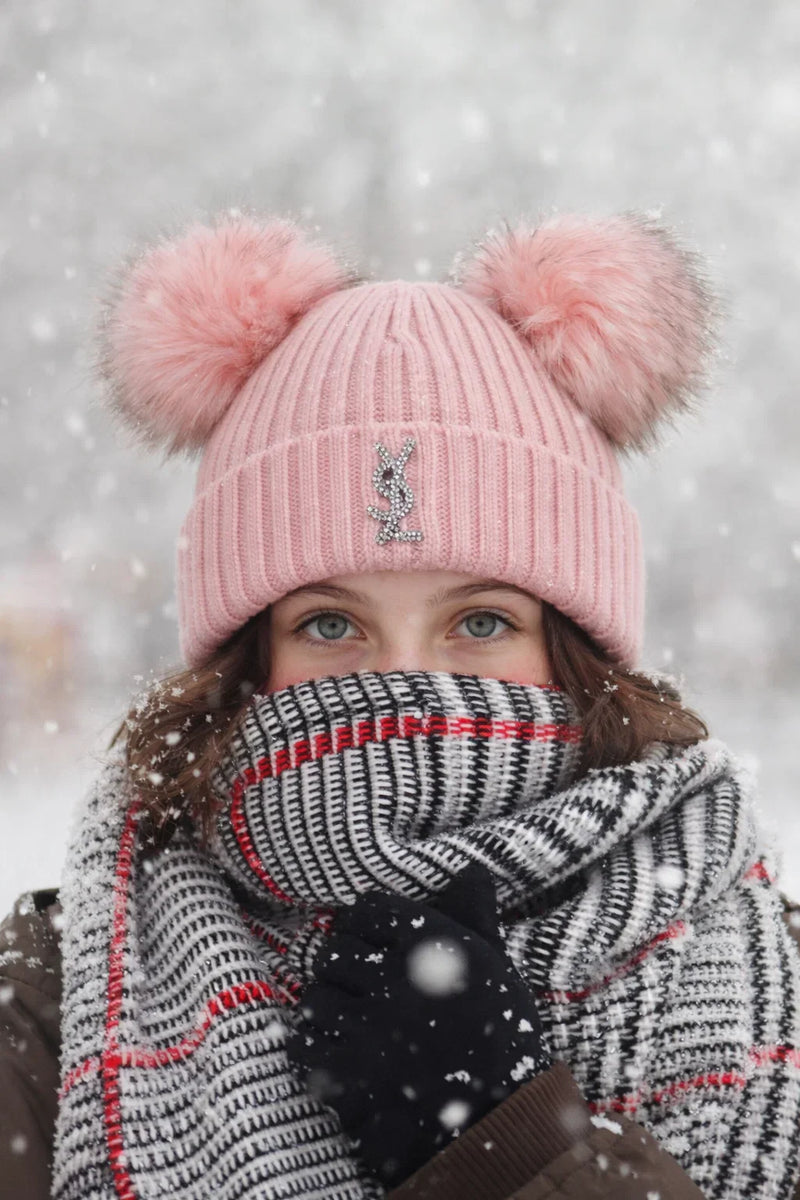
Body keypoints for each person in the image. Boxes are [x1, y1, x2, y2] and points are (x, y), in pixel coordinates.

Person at [2, 209, 799, 1200]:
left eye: (479, 620)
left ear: (572, 652)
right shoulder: (58, 998)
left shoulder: (761, 977)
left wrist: (509, 1146)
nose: (406, 681)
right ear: (248, 663)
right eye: (332, 625)